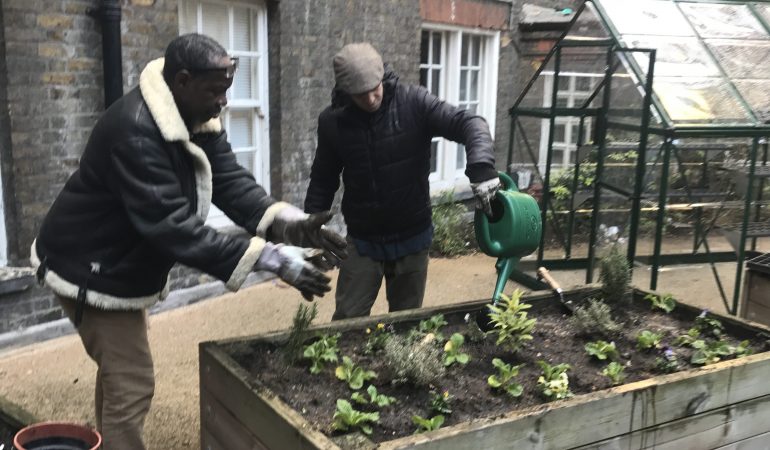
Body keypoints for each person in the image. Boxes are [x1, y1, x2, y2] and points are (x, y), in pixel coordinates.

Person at [30, 33, 346, 450]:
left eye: (226, 89)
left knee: (119, 372)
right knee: (133, 382)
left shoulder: (191, 114)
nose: (223, 101)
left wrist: (289, 224)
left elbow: (231, 182)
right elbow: (174, 228)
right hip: (90, 268)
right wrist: (270, 258)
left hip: (116, 262)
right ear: (181, 81)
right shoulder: (136, 131)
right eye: (214, 91)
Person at [305, 42, 500, 321]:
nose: (371, 99)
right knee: (347, 323)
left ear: (383, 77)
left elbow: (470, 123)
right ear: (346, 92)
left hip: (412, 238)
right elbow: (323, 177)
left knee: (406, 324)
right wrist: (312, 228)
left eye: (375, 89)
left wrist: (481, 167)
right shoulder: (333, 122)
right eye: (362, 95)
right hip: (363, 241)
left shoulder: (414, 103)